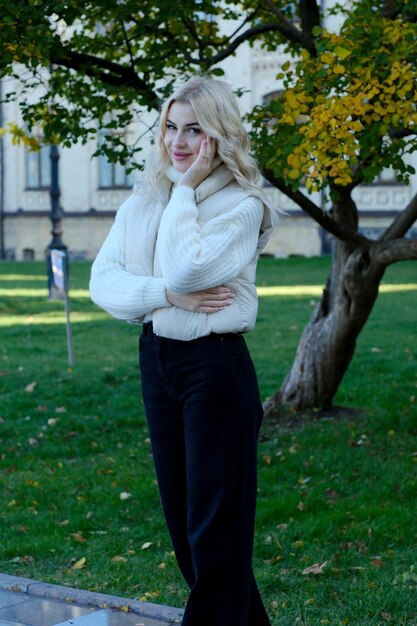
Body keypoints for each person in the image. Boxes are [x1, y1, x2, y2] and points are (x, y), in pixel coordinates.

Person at [89, 75, 279, 626]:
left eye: (194, 130)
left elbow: (188, 266)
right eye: (171, 127)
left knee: (215, 532)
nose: (177, 142)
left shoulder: (244, 206)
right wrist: (165, 296)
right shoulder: (146, 198)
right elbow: (105, 282)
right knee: (186, 531)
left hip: (215, 368)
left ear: (219, 135)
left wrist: (186, 192)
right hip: (158, 362)